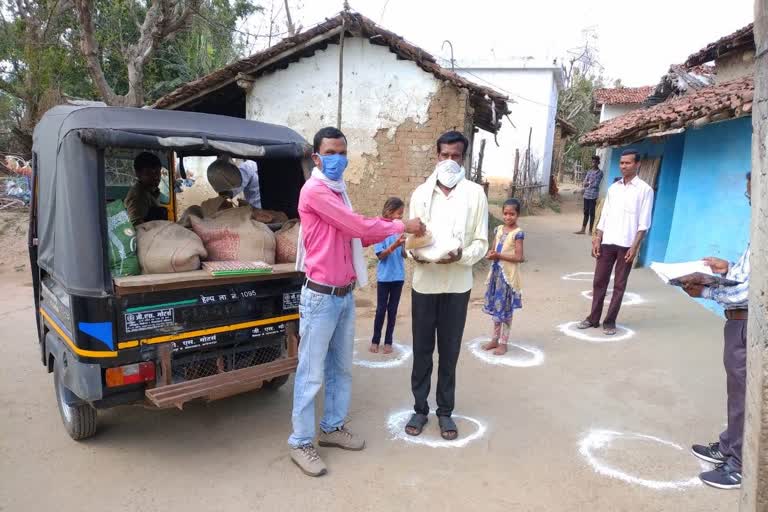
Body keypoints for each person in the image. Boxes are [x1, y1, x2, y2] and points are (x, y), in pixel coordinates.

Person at [289, 127, 425, 477]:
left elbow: (352, 236)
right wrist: (400, 225)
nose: (338, 159)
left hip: (344, 295)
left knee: (341, 369)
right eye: (331, 152)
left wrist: (381, 231)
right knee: (310, 374)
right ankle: (301, 442)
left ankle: (332, 428)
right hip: (320, 296)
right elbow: (357, 228)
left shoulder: (338, 190)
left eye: (342, 152)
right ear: (317, 157)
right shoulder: (316, 191)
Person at [405, 130, 489, 441]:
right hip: (425, 284)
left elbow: (481, 242)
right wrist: (417, 255)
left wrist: (460, 256)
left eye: (455, 156)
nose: (449, 161)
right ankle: (419, 408)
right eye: (444, 155)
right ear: (436, 156)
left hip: (457, 285)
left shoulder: (475, 194)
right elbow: (411, 239)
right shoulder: (420, 194)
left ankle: (445, 412)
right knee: (422, 350)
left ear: (463, 158)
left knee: (449, 351)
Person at [684, 172, 751, 490]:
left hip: (748, 323)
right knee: (736, 392)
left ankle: (739, 465)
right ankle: (728, 447)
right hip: (737, 322)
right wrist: (727, 269)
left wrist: (705, 292)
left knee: (744, 395)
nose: (752, 202)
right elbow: (747, 273)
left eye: (754, 195)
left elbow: (750, 291)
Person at [577, 149, 653, 336]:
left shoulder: (645, 190)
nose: (623, 166)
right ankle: (593, 318)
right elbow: (605, 215)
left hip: (627, 244)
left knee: (619, 284)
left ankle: (610, 321)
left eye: (628, 163)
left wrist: (635, 247)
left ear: (637, 165)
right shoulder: (614, 188)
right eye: (621, 163)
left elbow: (644, 222)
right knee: (599, 281)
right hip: (607, 241)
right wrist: (597, 237)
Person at [482, 198, 525, 356]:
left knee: (505, 310)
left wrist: (499, 255)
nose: (508, 217)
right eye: (505, 214)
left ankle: (503, 342)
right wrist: (490, 254)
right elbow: (493, 248)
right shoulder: (499, 229)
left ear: (517, 215)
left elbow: (519, 257)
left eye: (512, 214)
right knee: (496, 309)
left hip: (507, 278)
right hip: (496, 275)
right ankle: (494, 339)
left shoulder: (517, 234)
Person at [370, 197, 407, 354]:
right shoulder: (380, 231)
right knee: (381, 310)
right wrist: (395, 245)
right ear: (390, 212)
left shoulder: (400, 230)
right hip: (384, 278)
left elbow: (404, 255)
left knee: (393, 310)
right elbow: (380, 255)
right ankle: (375, 340)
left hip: (398, 277)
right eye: (399, 213)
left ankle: (388, 341)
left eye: (402, 214)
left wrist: (405, 246)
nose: (401, 217)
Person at [125, 152, 168, 225]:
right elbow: (136, 226)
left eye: (157, 172)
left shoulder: (152, 191)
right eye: (149, 173)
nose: (156, 177)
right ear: (138, 174)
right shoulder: (138, 196)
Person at [575, 155, 603, 235]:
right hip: (586, 194)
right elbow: (584, 182)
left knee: (592, 213)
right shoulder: (589, 171)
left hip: (593, 195)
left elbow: (596, 184)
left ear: (598, 163)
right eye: (593, 162)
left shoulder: (600, 173)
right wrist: (587, 183)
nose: (593, 163)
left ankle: (591, 230)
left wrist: (588, 183)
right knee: (586, 212)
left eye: (595, 162)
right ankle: (583, 229)